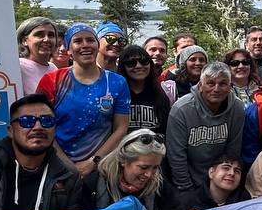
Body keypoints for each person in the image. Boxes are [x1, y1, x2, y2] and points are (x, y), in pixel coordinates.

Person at [36, 24, 131, 176]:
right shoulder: (52, 80)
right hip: (56, 166)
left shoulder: (117, 82)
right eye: (78, 41)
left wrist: (93, 162)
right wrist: (67, 165)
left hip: (100, 168)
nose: (85, 45)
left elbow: (120, 129)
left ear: (97, 45)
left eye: (90, 40)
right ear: (68, 49)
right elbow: (41, 126)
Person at [87, 128, 188, 210]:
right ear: (123, 161)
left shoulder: (159, 185)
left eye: (155, 168)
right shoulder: (94, 185)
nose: (149, 175)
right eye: (143, 168)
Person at [166, 61, 244, 194]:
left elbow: (233, 150)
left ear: (230, 86)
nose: (217, 89)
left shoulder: (237, 107)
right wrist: (187, 190)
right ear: (201, 85)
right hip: (188, 181)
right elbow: (176, 155)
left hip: (220, 180)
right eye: (211, 83)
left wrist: (223, 185)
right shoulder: (181, 109)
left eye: (223, 84)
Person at [118, 44, 174, 134]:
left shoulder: (160, 96)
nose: (138, 66)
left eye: (144, 61)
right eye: (131, 63)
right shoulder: (116, 95)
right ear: (123, 67)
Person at [183, 155, 251, 210]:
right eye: (226, 168)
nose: (232, 173)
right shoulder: (189, 202)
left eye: (237, 171)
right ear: (211, 172)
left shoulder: (244, 201)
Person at [16, 16, 59, 95]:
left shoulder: (53, 68)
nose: (46, 39)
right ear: (24, 41)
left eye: (51, 35)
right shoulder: (18, 67)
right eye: (39, 35)